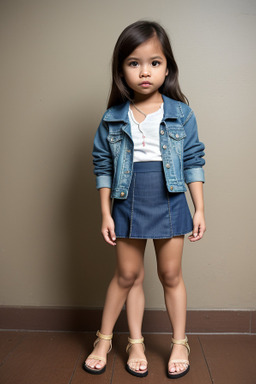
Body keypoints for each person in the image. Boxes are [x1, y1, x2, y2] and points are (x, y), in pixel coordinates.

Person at [83, 20, 206, 379]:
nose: (145, 71)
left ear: (168, 67)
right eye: (134, 63)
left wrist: (200, 208)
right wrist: (105, 212)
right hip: (127, 198)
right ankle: (116, 340)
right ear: (121, 69)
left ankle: (179, 342)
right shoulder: (112, 118)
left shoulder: (181, 113)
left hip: (169, 197)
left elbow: (193, 159)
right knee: (128, 275)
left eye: (155, 62)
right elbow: (103, 165)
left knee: (170, 273)